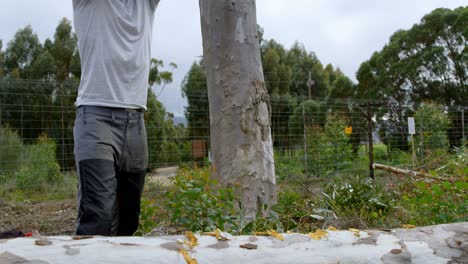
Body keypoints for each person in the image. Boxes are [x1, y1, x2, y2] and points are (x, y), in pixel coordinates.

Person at [72, 0, 160, 236]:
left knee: (129, 220)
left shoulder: (146, 5)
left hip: (135, 122)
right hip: (95, 118)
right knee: (98, 216)